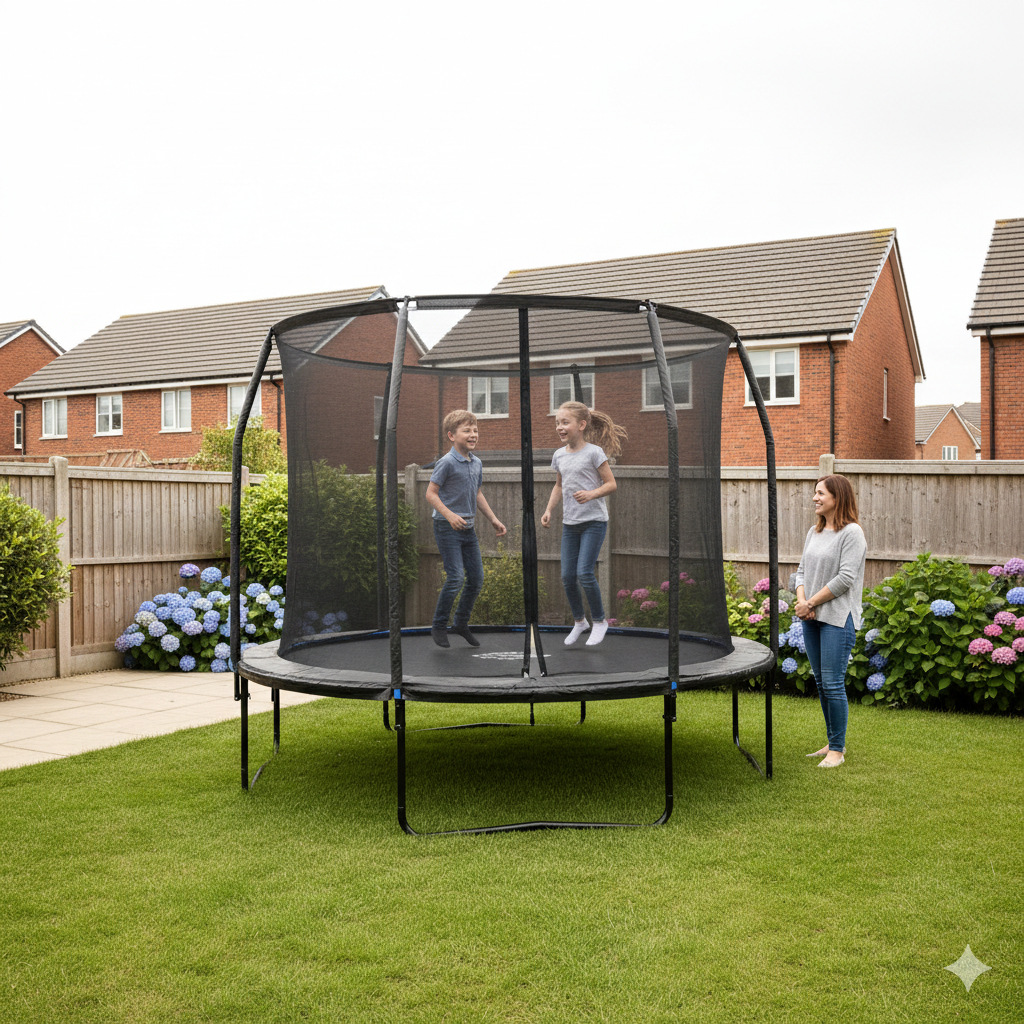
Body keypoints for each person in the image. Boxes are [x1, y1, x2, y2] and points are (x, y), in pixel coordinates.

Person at [793, 473, 867, 768]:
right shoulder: (815, 532)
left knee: (834, 682)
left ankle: (837, 750)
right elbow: (800, 571)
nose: (815, 498)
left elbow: (845, 579)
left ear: (838, 498)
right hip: (810, 616)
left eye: (821, 493)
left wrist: (809, 602)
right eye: (815, 492)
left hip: (838, 618)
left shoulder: (852, 534)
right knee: (822, 682)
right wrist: (802, 602)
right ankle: (831, 742)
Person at [541, 401, 626, 646]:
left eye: (565, 422)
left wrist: (591, 494)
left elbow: (611, 484)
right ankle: (580, 621)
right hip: (570, 524)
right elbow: (559, 485)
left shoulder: (594, 452)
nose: (559, 427)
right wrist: (548, 510)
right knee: (567, 576)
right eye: (557, 422)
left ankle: (600, 621)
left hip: (594, 522)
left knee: (584, 572)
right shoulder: (559, 456)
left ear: (581, 425)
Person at [426, 410, 506, 648]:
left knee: (476, 579)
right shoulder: (447, 462)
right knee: (456, 577)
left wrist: (493, 518)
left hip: (468, 528)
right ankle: (439, 625)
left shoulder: (476, 462)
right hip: (447, 527)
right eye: (467, 430)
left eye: (475, 430)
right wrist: (449, 515)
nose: (473, 435)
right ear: (451, 435)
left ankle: (460, 623)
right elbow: (430, 493)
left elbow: (477, 492)